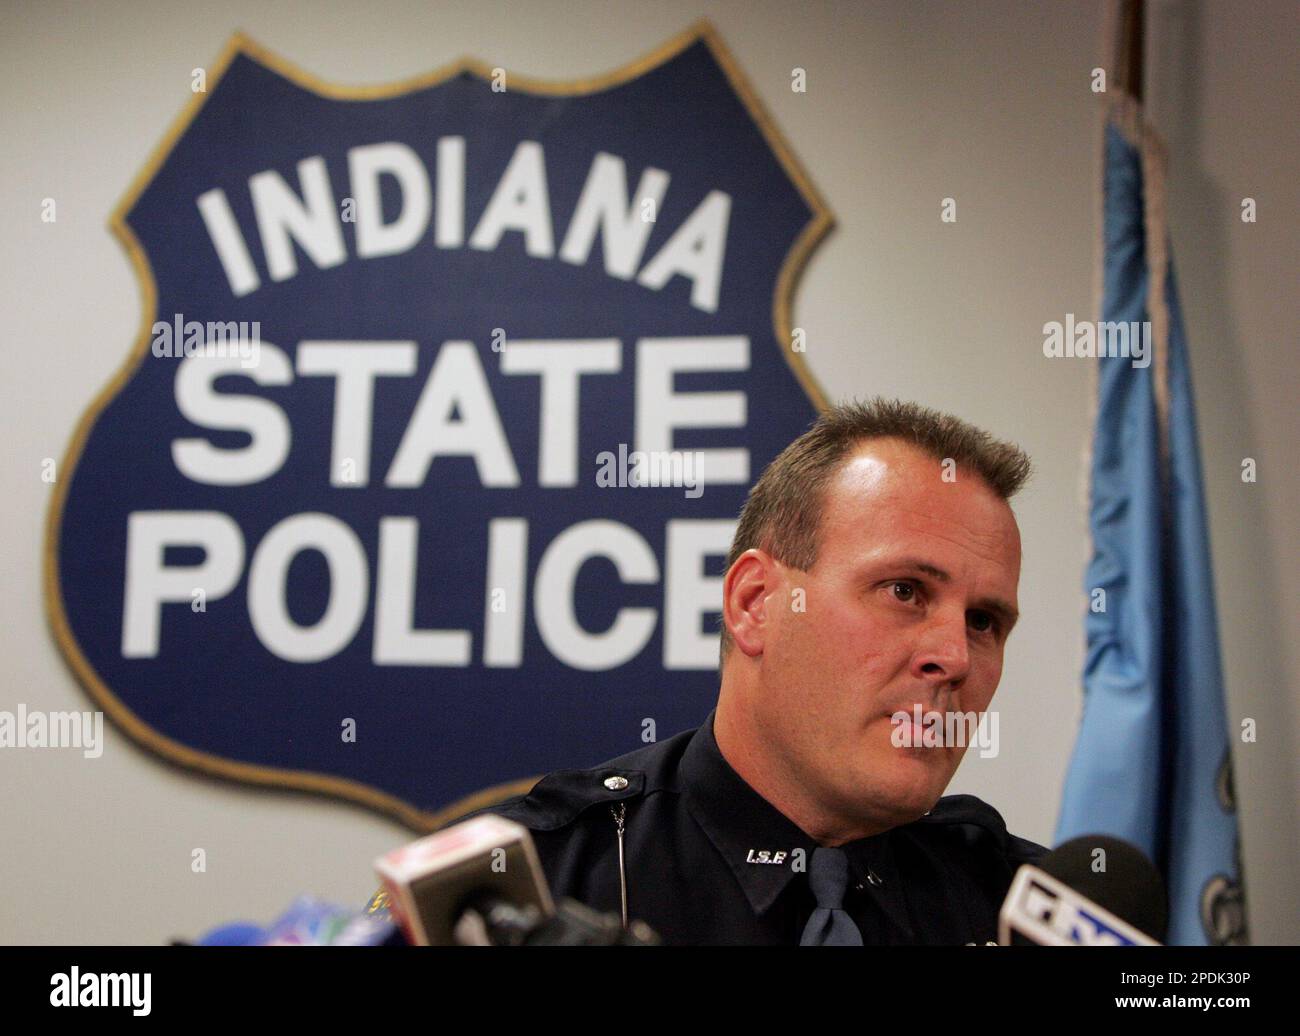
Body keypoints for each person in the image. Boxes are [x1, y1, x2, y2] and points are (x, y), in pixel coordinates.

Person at [463, 397, 1048, 945]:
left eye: (983, 621)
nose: (955, 658)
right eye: (904, 590)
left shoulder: (1032, 912)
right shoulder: (520, 890)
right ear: (755, 603)